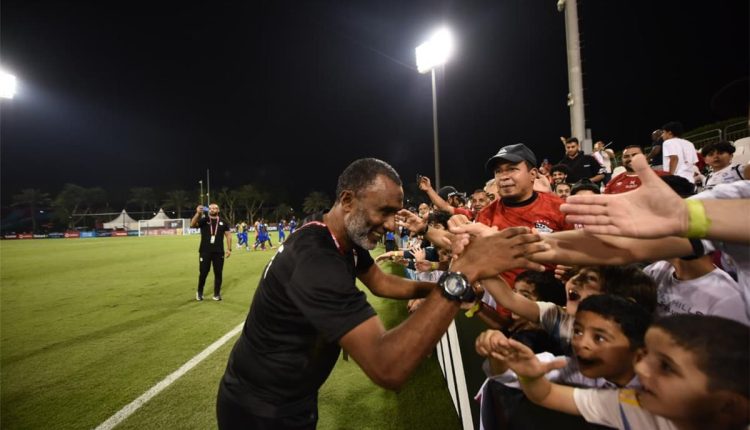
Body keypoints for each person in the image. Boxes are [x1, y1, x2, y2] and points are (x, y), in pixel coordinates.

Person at [215, 158, 547, 429]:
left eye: (394, 213)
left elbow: (381, 283)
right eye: (384, 211)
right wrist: (460, 277)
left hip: (289, 396)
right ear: (347, 201)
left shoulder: (336, 233)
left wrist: (438, 287)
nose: (391, 225)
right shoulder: (317, 261)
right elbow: (388, 367)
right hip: (261, 409)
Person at [494, 314, 750, 430]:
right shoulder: (633, 405)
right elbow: (545, 394)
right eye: (645, 354)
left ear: (729, 406)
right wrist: (530, 374)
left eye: (666, 367)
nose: (641, 368)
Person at [191, 203, 232, 301]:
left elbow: (228, 235)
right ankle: (200, 292)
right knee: (203, 272)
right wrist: (197, 213)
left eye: (215, 208)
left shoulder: (223, 222)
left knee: (218, 273)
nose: (213, 209)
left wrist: (229, 249)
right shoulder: (204, 220)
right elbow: (192, 225)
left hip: (219, 252)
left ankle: (216, 294)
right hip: (205, 251)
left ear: (218, 210)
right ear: (208, 210)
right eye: (211, 208)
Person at [604, 145, 668, 194]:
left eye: (635, 155)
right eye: (626, 156)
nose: (631, 159)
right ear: (622, 160)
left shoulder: (664, 176)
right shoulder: (612, 183)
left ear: (645, 156)